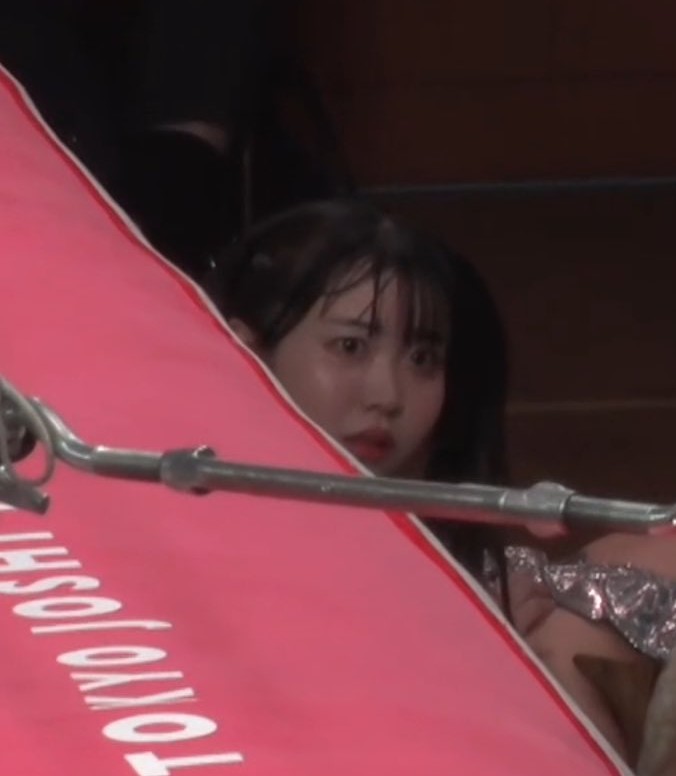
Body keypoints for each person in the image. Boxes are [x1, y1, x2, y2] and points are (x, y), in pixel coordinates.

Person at [210, 198, 676, 766]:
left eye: (422, 359)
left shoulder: (495, 582)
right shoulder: (176, 533)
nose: (387, 394)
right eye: (350, 347)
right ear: (244, 351)